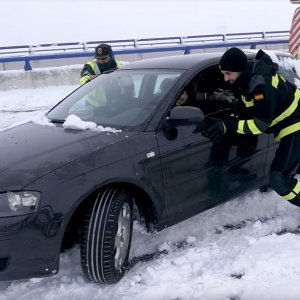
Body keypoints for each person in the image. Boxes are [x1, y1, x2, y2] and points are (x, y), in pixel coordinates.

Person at [205, 47, 300, 207]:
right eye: (224, 74)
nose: (226, 79)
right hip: (290, 124)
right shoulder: (247, 81)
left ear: (240, 70)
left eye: (228, 74)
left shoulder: (262, 85)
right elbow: (246, 109)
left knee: (279, 179)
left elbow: (259, 125)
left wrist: (227, 126)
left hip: (296, 124)